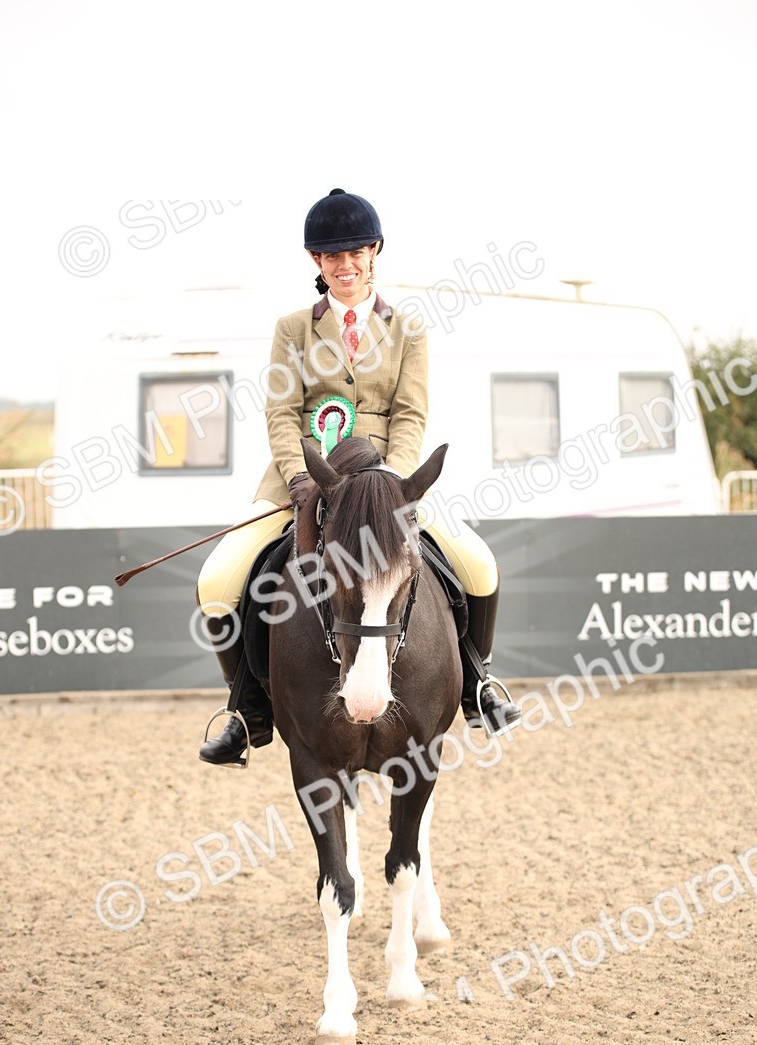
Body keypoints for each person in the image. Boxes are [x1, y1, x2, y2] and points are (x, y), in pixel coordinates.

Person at [196, 187, 521, 766]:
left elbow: (410, 412)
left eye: (356, 253)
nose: (345, 266)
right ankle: (246, 711)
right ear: (316, 264)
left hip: (386, 481)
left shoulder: (408, 330)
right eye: (331, 256)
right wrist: (300, 478)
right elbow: (280, 410)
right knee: (219, 580)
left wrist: (392, 484)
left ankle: (478, 685)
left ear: (374, 253)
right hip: (304, 477)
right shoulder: (293, 328)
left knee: (477, 565)